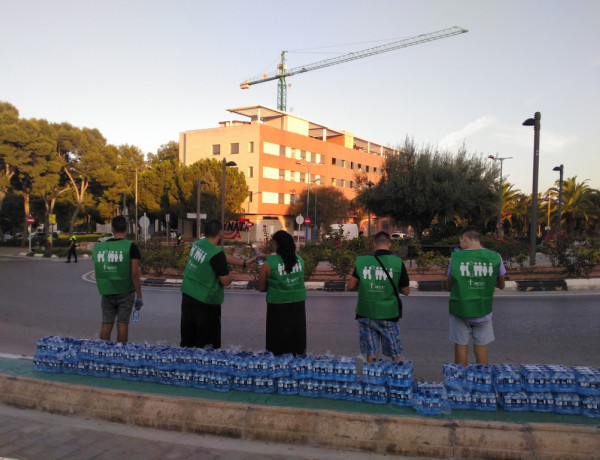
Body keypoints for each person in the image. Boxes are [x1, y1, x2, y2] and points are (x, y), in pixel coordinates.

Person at [179, 219, 250, 349]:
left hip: (188, 296)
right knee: (206, 343)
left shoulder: (198, 244)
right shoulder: (215, 255)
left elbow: (221, 256)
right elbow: (224, 280)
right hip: (206, 302)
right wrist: (230, 278)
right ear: (220, 233)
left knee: (188, 339)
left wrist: (244, 263)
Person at [345, 231, 410, 362]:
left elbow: (350, 286)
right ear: (390, 244)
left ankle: (373, 378)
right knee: (395, 351)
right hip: (388, 314)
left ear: (374, 245)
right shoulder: (397, 262)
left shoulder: (363, 262)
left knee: (371, 352)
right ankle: (399, 377)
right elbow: (406, 290)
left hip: (366, 313)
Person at [446, 226, 506, 366]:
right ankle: (481, 380)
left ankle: (462, 381)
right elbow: (501, 285)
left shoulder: (456, 258)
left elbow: (449, 285)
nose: (460, 246)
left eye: (460, 242)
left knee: (460, 346)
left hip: (460, 311)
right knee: (481, 348)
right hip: (483, 311)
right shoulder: (495, 257)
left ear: (465, 238)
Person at [92, 215, 143, 343]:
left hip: (107, 290)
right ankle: (120, 354)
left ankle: (103, 352)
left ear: (112, 228)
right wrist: (139, 296)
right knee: (122, 325)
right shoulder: (131, 247)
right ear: (126, 228)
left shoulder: (99, 247)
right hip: (125, 291)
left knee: (106, 324)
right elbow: (134, 274)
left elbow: (97, 262)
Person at [258, 230, 307, 356]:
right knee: (296, 336)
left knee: (277, 341)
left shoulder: (268, 264)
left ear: (275, 244)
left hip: (277, 305)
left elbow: (261, 287)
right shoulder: (300, 261)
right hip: (298, 304)